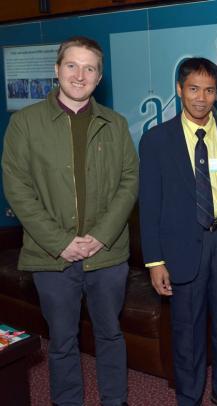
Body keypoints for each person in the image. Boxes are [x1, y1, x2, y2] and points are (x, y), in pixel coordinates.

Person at [2, 36, 138, 406]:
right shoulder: (25, 124)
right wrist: (60, 241)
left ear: (99, 77)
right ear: (57, 70)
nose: (80, 75)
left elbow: (129, 182)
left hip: (106, 254)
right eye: (72, 65)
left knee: (110, 334)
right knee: (62, 341)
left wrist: (101, 235)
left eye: (90, 68)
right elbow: (17, 188)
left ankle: (116, 400)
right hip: (52, 256)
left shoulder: (116, 123)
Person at [138, 57, 217, 406]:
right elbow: (149, 205)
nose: (201, 98)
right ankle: (189, 398)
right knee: (187, 332)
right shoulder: (156, 140)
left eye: (209, 90)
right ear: (179, 89)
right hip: (183, 249)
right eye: (193, 89)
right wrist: (155, 260)